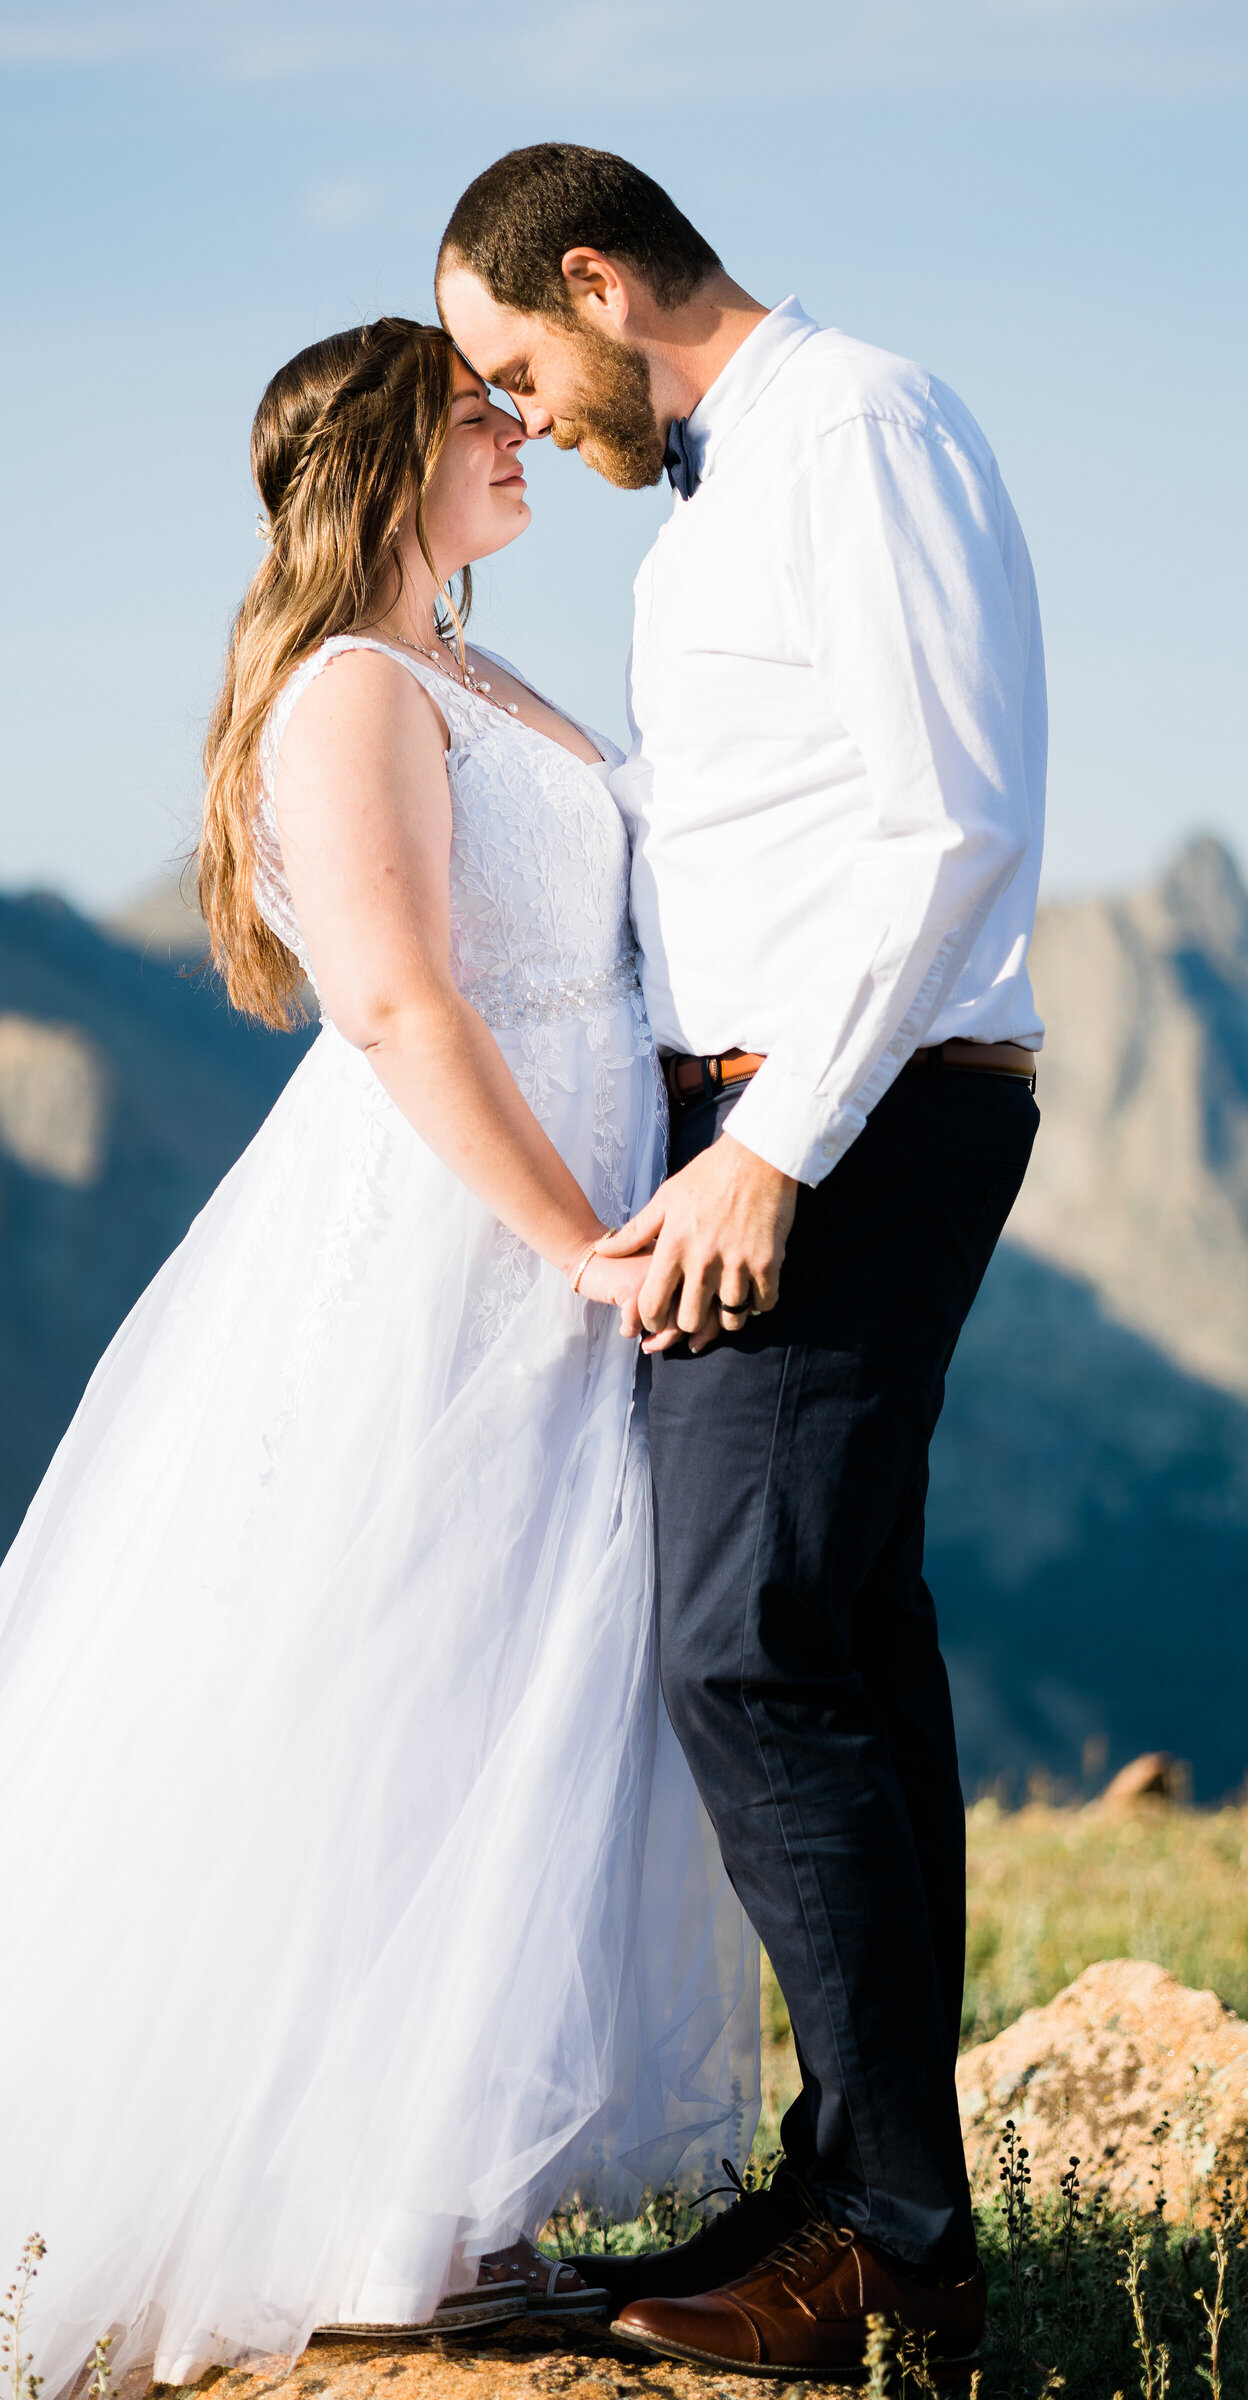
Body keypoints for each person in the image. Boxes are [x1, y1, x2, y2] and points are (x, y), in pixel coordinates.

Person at [0, 317, 760, 2400]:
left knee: (514, 1678)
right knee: (400, 1669)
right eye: (473, 412)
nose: (516, 428)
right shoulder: (350, 692)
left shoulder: (468, 670)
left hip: (562, 1216)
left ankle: (432, 2197)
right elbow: (400, 1008)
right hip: (462, 1241)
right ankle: (361, 2230)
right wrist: (577, 1251)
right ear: (378, 459)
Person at [439, 145, 1045, 2379]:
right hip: (763, 1114)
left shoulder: (850, 426)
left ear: (594, 279)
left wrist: (771, 1145)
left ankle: (890, 2239)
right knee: (833, 1643)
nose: (522, 414)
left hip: (844, 1114)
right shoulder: (729, 489)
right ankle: (852, 2187)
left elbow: (951, 816)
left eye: (517, 360)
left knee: (747, 1642)